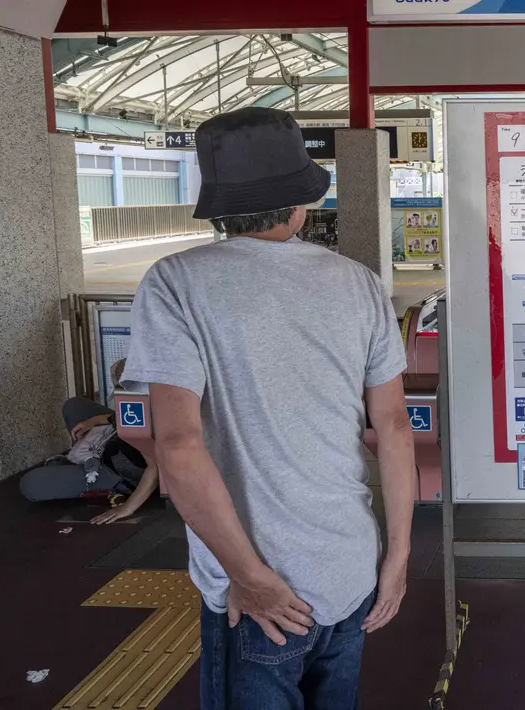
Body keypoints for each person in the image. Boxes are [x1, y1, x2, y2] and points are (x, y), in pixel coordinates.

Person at [121, 107, 416, 709]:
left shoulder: (175, 282)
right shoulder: (359, 283)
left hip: (257, 591)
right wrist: (400, 556)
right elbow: (392, 427)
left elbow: (177, 446)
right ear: (303, 203)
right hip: (349, 565)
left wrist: (251, 578)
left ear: (220, 204)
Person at [19, 359, 159, 524]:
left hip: (120, 470)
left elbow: (155, 467)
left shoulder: (136, 406)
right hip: (116, 439)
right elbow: (119, 417)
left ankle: (99, 479)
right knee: (74, 405)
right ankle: (79, 459)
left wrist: (127, 508)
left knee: (31, 485)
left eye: (117, 387)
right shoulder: (150, 394)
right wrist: (94, 422)